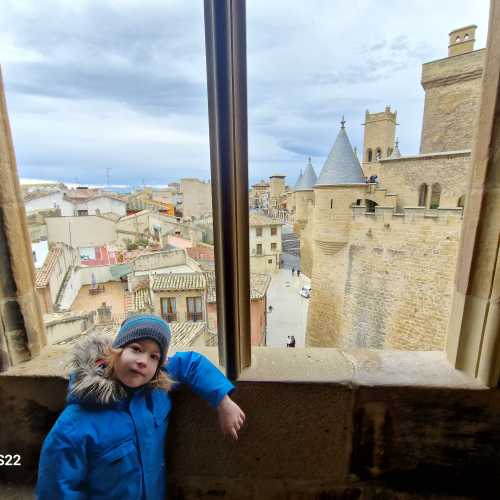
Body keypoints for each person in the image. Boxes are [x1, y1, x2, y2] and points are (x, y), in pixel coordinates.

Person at [35, 314, 245, 499]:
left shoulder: (155, 385)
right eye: (136, 349)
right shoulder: (74, 425)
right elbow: (57, 489)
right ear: (115, 352)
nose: (143, 360)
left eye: (154, 356)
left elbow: (191, 363)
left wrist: (222, 401)